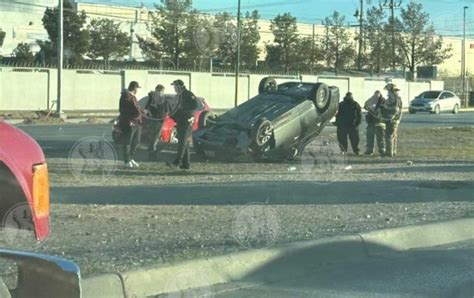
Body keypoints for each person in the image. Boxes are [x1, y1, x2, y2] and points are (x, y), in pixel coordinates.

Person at [167, 79, 197, 170]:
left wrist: (187, 115)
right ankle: (186, 164)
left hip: (186, 122)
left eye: (175, 86)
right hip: (181, 121)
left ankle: (177, 162)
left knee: (182, 143)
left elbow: (194, 106)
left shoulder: (187, 94)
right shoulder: (179, 96)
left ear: (179, 86)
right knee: (185, 143)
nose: (174, 88)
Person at [119, 81, 143, 168]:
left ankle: (131, 158)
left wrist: (142, 112)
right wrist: (139, 112)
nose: (137, 90)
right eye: (137, 88)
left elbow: (137, 108)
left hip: (137, 122)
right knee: (127, 142)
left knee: (135, 141)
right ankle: (127, 160)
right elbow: (132, 109)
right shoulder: (126, 96)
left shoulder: (132, 97)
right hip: (129, 123)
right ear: (134, 88)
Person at [145, 84, 168, 160]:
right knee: (154, 136)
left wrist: (165, 116)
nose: (161, 93)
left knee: (156, 136)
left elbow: (167, 109)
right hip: (153, 120)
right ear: (156, 91)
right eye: (160, 91)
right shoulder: (152, 98)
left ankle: (152, 151)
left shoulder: (164, 99)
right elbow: (147, 108)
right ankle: (152, 151)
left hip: (160, 120)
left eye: (162, 91)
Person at [380, 83, 403, 157]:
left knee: (388, 136)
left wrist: (384, 107)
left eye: (388, 91)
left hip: (391, 120)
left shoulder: (395, 99)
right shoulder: (397, 99)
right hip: (393, 120)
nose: (388, 93)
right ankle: (393, 151)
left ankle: (389, 152)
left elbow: (394, 110)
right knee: (393, 136)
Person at [364, 91, 386, 156]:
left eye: (377, 96)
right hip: (371, 121)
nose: (376, 97)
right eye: (375, 96)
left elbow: (384, 109)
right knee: (370, 136)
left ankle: (382, 149)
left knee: (380, 137)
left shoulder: (383, 101)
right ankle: (369, 149)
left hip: (379, 121)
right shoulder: (372, 100)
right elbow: (366, 105)